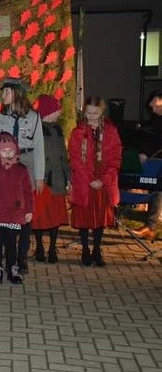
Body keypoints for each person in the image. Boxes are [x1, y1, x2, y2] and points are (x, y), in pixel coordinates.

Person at [0, 78, 44, 271]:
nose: (3, 95)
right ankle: (7, 251)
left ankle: (22, 256)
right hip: (5, 165)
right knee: (6, 207)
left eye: (6, 91)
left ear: (17, 93)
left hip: (26, 163)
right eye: (2, 92)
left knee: (25, 211)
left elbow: (39, 147)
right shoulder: (0, 118)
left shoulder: (34, 117)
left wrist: (39, 176)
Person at [68, 96, 122, 267]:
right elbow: (75, 159)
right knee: (84, 216)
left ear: (101, 112)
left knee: (100, 216)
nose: (91, 116)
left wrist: (103, 179)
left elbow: (116, 157)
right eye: (88, 113)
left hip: (103, 180)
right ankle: (85, 249)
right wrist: (89, 179)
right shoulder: (78, 132)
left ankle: (97, 249)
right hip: (85, 180)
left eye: (95, 113)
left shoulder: (111, 131)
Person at [0, 132, 34, 284]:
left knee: (11, 243)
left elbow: (27, 192)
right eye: (4, 151)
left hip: (14, 212)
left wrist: (28, 210)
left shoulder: (21, 170)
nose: (8, 153)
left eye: (10, 150)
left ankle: (12, 268)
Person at [32, 95, 70, 263]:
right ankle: (39, 246)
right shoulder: (37, 129)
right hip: (43, 179)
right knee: (40, 216)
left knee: (55, 216)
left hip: (58, 179)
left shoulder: (58, 129)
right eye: (56, 109)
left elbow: (64, 155)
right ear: (48, 111)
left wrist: (68, 176)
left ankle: (52, 247)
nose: (59, 112)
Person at [130, 89, 162, 239]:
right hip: (158, 161)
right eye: (152, 107)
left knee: (157, 188)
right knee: (156, 188)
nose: (154, 110)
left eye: (157, 106)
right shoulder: (157, 119)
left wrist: (147, 153)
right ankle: (150, 227)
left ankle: (150, 225)